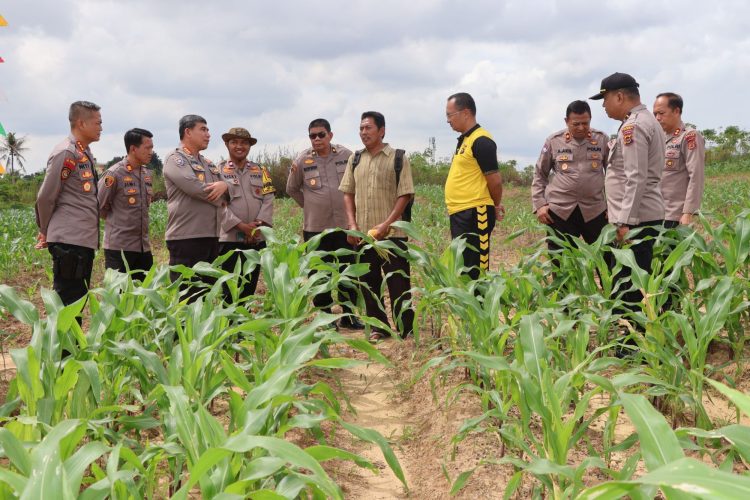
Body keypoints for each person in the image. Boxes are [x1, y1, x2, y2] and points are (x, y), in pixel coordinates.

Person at [590, 72, 665, 320]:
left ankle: (631, 347)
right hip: (640, 216)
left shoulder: (634, 126)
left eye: (605, 99)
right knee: (635, 281)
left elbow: (635, 177)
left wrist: (625, 222)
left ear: (619, 96)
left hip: (637, 220)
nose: (603, 106)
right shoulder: (644, 121)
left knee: (629, 286)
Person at [339, 111, 415, 341]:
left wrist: (386, 224)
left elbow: (405, 195)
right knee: (368, 283)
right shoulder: (355, 159)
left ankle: (406, 328)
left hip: (393, 234)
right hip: (364, 235)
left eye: (368, 128)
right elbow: (348, 193)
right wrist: (352, 225)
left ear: (382, 130)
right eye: (361, 128)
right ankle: (379, 328)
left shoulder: (398, 158)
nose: (363, 132)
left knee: (399, 282)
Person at [287, 118, 364, 329]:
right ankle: (325, 316)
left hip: (345, 226)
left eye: (321, 134)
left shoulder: (347, 156)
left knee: (348, 271)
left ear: (330, 135)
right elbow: (292, 189)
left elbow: (356, 185)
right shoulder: (302, 160)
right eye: (313, 135)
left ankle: (349, 316)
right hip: (315, 229)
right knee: (320, 273)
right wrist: (310, 206)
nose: (317, 139)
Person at [35, 100, 102, 306]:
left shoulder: (84, 152)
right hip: (69, 242)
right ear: (81, 124)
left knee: (77, 303)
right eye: (98, 123)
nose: (101, 127)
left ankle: (71, 339)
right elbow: (46, 197)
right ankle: (63, 340)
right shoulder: (67, 152)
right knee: (68, 304)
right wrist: (45, 229)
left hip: (80, 241)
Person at [531, 100, 609, 266]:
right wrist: (539, 205)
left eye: (585, 123)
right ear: (566, 121)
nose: (581, 127)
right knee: (562, 262)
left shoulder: (602, 140)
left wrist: (614, 207)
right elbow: (539, 174)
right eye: (576, 124)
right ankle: (564, 292)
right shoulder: (554, 141)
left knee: (606, 259)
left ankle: (609, 292)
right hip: (560, 211)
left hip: (595, 211)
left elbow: (614, 174)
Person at [163, 115, 228, 291]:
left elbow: (229, 192)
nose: (208, 134)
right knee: (188, 296)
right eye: (203, 129)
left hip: (211, 237)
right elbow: (194, 188)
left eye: (208, 130)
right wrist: (222, 190)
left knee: (207, 295)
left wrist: (225, 186)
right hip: (187, 238)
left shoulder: (208, 164)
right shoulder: (176, 159)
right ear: (188, 132)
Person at [444, 92, 504, 280]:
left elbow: (494, 180)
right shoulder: (465, 140)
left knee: (475, 270)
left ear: (466, 113)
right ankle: (468, 306)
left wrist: (494, 205)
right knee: (463, 266)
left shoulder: (481, 140)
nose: (447, 120)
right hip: (461, 212)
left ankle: (479, 307)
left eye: (449, 115)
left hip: (475, 213)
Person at [218, 127, 274, 298]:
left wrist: (258, 226)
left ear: (250, 146)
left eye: (244, 143)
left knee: (249, 288)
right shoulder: (217, 171)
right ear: (227, 144)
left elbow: (269, 198)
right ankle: (231, 323)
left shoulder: (260, 170)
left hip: (256, 239)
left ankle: (246, 322)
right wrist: (241, 226)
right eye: (234, 142)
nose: (239, 146)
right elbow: (217, 205)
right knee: (230, 289)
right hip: (229, 240)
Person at [98, 128, 155, 281]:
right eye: (147, 148)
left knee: (144, 298)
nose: (151, 152)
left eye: (152, 148)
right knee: (119, 298)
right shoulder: (114, 174)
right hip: (119, 249)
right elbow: (99, 206)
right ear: (133, 149)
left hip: (143, 248)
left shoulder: (146, 174)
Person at [652, 92, 705, 228]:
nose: (657, 118)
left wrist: (688, 212)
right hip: (656, 213)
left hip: (675, 215)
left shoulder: (689, 136)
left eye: (661, 113)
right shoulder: (657, 139)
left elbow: (696, 176)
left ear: (676, 111)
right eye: (655, 114)